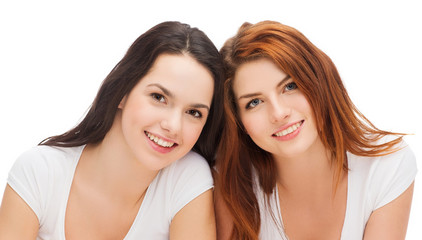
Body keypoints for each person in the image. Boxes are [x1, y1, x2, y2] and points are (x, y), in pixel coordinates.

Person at [0, 21, 224, 240]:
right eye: (159, 97)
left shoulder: (187, 178)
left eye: (194, 112)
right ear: (123, 91)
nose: (173, 126)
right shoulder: (40, 173)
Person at [215, 20, 416, 240]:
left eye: (290, 86)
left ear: (319, 81)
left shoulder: (385, 166)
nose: (279, 113)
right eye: (254, 102)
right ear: (238, 120)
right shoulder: (230, 184)